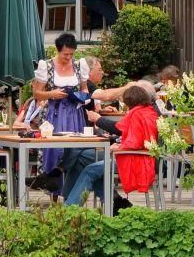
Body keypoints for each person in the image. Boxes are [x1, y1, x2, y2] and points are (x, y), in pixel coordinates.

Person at [63, 82, 159, 210]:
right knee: (89, 166)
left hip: (134, 159)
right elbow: (133, 134)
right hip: (144, 157)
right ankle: (115, 202)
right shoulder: (149, 112)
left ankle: (70, 208)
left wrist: (118, 147)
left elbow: (134, 141)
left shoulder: (136, 114)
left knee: (89, 170)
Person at [30, 33, 91, 177]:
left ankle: (73, 189)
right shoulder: (47, 65)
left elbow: (84, 88)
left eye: (71, 54)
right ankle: (53, 189)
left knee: (75, 150)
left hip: (74, 113)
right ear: (58, 51)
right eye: (65, 54)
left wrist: (83, 98)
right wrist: (52, 94)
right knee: (55, 150)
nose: (69, 57)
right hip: (54, 113)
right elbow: (36, 93)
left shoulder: (79, 65)